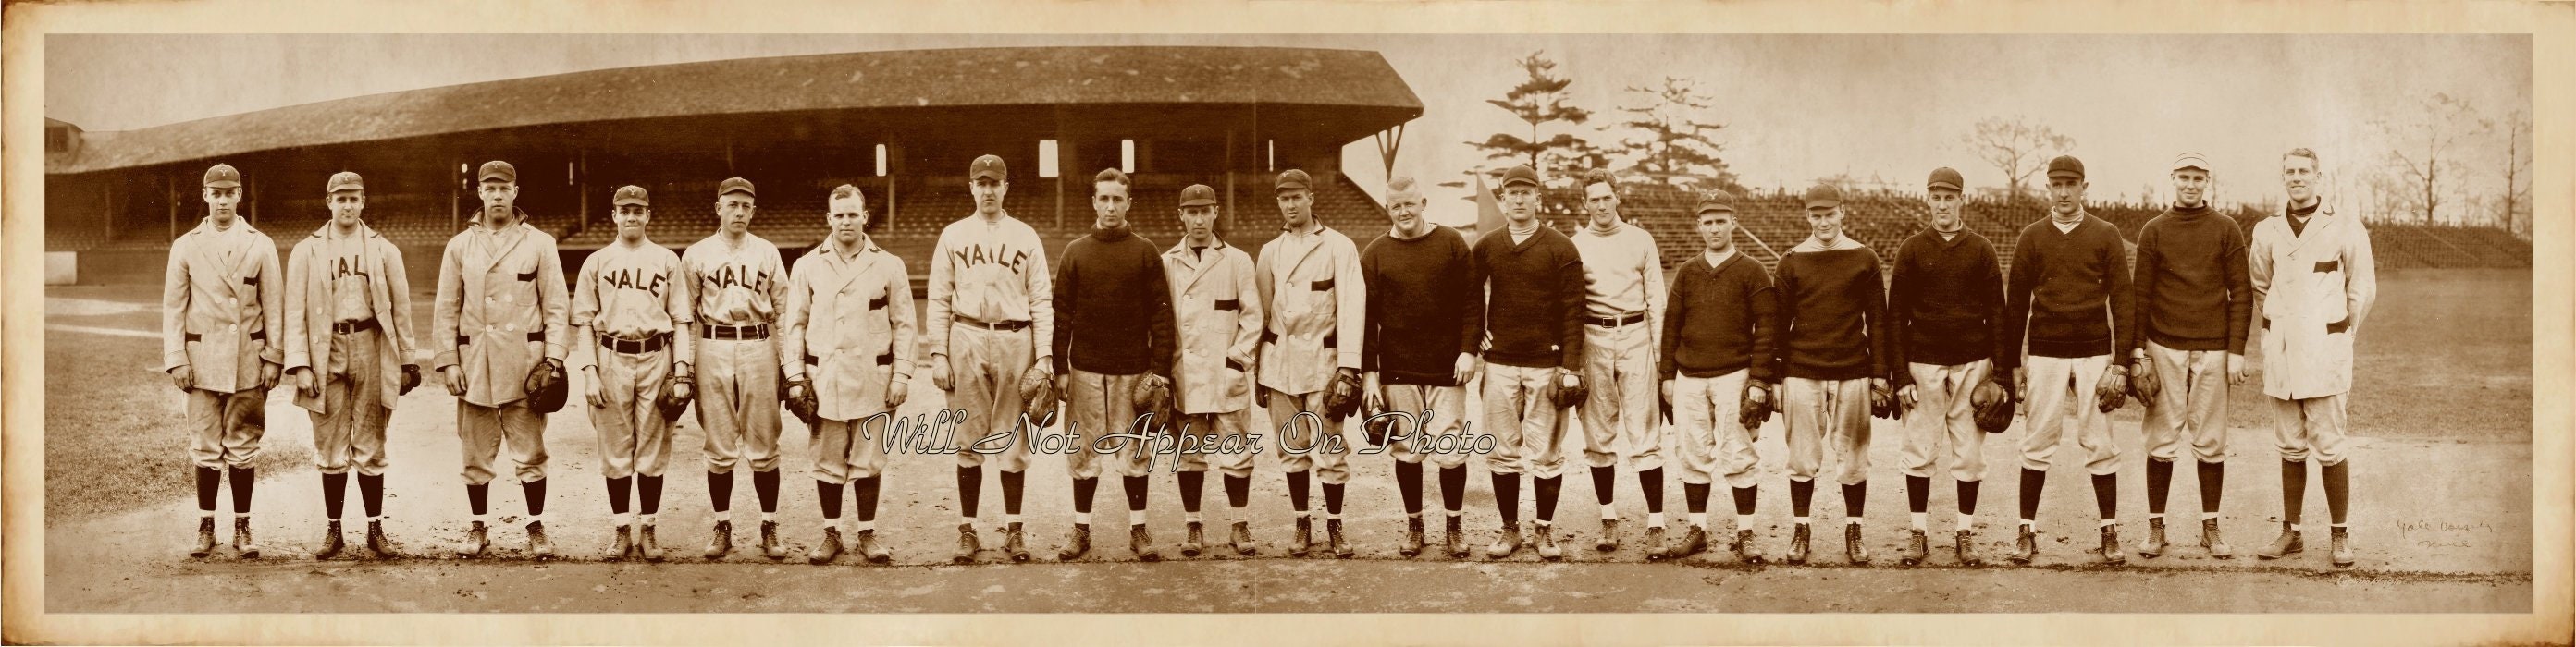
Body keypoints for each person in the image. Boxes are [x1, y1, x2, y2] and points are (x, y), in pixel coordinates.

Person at [1998, 155, 2137, 565]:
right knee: (2037, 440)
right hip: (2045, 350)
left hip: (2094, 351)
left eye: (2071, 184)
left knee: (2100, 441)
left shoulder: (2105, 234)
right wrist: (2013, 364)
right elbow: (2016, 304)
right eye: (2056, 184)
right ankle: (2026, 530)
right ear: (2047, 187)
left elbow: (2123, 299)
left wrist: (2122, 360)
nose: (2063, 192)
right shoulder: (2032, 236)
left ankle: (2109, 531)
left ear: (2083, 187)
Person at [431, 160, 572, 558]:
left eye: (504, 188)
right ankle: (478, 527)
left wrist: (555, 359)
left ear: (515, 192)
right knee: (475, 455)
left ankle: (535, 526)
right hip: (475, 362)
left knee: (531, 453)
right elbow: (445, 308)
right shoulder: (459, 246)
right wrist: (449, 362)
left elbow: (557, 306)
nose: (497, 194)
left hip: (526, 365)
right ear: (479, 192)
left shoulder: (539, 242)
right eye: (489, 188)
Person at [2248, 147, 2376, 568]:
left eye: (2305, 171)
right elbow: (2260, 286)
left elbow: (2361, 288)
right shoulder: (2266, 230)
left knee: (2329, 443)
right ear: (2282, 177)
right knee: (2289, 444)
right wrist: (2278, 328)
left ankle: (2339, 535)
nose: (2297, 177)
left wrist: (2343, 331)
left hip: (2326, 352)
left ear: (2319, 176)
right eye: (2290, 171)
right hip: (2283, 351)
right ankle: (2292, 532)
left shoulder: (2345, 226)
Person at [925, 154, 1056, 564]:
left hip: (1017, 340)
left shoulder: (1025, 235)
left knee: (1013, 440)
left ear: (1005, 188)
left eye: (993, 183)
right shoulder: (953, 234)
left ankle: (1014, 531)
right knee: (968, 439)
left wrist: (1046, 356)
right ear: (971, 188)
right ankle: (968, 530)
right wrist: (938, 353)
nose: (987, 190)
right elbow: (938, 297)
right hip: (966, 335)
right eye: (980, 183)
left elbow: (1041, 299)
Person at [283, 171, 421, 559]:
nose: (347, 204)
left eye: (354, 198)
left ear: (363, 202)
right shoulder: (305, 250)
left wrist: (408, 360)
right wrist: (299, 364)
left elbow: (401, 308)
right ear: (328, 202)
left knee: (371, 442)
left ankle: (375, 529)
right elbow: (294, 312)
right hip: (323, 348)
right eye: (340, 198)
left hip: (371, 344)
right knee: (329, 445)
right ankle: (334, 531)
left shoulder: (383, 249)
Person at [1049, 168, 1179, 561]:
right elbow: (1061, 315)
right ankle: (1081, 530)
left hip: (1133, 371)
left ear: (1128, 203)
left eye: (1117, 199)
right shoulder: (1076, 251)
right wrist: (1060, 368)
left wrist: (1159, 370)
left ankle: (1138, 530)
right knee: (1083, 453)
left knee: (1134, 455)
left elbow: (1161, 315)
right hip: (1086, 369)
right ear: (1093, 202)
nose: (1110, 206)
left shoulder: (1145, 251)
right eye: (1103, 198)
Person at [781, 184, 916, 565]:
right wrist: (794, 376)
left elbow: (904, 324)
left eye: (852, 214)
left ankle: (867, 533)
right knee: (827, 458)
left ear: (864, 217)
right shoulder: (807, 265)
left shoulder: (889, 264)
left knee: (868, 458)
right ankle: (831, 533)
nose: (846, 221)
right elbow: (793, 324)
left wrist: (902, 376)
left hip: (874, 375)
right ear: (828, 219)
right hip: (824, 376)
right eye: (838, 215)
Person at [2129, 153, 2253, 559]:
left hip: (2213, 347)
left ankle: (2210, 527)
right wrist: (2137, 351)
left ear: (2207, 182)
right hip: (2164, 345)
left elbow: (2242, 292)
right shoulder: (2155, 230)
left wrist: (2236, 351)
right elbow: (2140, 296)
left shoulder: (2225, 228)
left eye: (2198, 178)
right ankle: (2156, 527)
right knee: (2162, 439)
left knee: (2211, 441)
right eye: (2184, 177)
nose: (2190, 184)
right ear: (2173, 179)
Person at [1885, 167, 2009, 567]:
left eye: (1949, 197)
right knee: (1919, 449)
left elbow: (1998, 313)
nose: (1942, 204)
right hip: (1923, 363)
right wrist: (1899, 374)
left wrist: (2002, 374)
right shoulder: (1912, 249)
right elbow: (1895, 316)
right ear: (1927, 200)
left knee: (1969, 452)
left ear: (1962, 200)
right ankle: (1918, 533)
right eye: (1935, 197)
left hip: (1972, 363)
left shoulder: (1981, 248)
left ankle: (1964, 532)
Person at [163, 163, 287, 559]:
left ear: (238, 196)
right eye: (215, 193)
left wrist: (274, 357)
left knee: (243, 445)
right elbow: (173, 308)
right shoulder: (185, 244)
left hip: (248, 360)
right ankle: (206, 525)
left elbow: (275, 306)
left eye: (228, 192)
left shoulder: (260, 243)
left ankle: (243, 526)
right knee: (204, 446)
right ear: (205, 196)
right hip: (200, 362)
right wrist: (176, 358)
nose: (221, 200)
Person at [1357, 175, 1483, 558]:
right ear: (1387, 208)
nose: (1403, 211)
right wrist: (1370, 372)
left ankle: (1454, 527)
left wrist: (1468, 350)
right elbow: (1366, 320)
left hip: (1447, 368)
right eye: (1395, 206)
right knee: (1407, 451)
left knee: (1451, 450)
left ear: (1423, 202)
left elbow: (1472, 301)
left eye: (1409, 203)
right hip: (1398, 369)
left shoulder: (1451, 242)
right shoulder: (1375, 253)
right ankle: (1415, 527)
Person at [569, 185, 695, 561]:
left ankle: (650, 530)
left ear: (648, 215)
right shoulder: (597, 261)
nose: (632, 216)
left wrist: (683, 368)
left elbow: (681, 320)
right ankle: (622, 529)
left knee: (654, 449)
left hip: (657, 356)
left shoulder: (667, 260)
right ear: (614, 215)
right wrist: (590, 372)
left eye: (639, 210)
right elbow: (585, 324)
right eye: (625, 210)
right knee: (614, 450)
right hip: (611, 358)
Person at [1771, 183, 1894, 566]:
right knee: (1802, 457)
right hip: (1802, 369)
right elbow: (1777, 325)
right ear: (1807, 216)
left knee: (1854, 458)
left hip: (1851, 369)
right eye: (1816, 215)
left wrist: (1879, 375)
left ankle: (1854, 528)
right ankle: (1801, 528)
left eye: (1830, 213)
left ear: (1843, 211)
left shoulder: (1863, 257)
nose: (1823, 221)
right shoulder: (1791, 260)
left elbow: (1877, 319)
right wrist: (1775, 377)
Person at [1470, 164, 1586, 560]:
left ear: (1539, 198)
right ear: (1503, 199)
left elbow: (1574, 309)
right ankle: (1509, 530)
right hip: (1500, 363)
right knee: (1502, 452)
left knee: (1547, 453)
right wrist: (1475, 338)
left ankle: (1545, 531)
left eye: (1526, 192)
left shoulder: (1561, 247)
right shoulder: (1487, 245)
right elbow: (1468, 298)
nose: (1518, 200)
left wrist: (1570, 366)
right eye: (1511, 193)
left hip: (1546, 366)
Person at [1654, 190, 1777, 563]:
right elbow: (1671, 326)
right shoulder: (1688, 272)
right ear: (1698, 226)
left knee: (1739, 452)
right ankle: (1698, 529)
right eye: (1707, 221)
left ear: (1733, 223)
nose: (1714, 228)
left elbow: (1767, 327)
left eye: (1721, 220)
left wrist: (1758, 379)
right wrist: (1667, 376)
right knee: (1692, 452)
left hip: (1734, 374)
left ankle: (1745, 532)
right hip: (1690, 374)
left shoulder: (1751, 269)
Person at [1253, 168, 1368, 558]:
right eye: (1283, 199)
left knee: (1331, 449)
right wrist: (1258, 370)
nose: (1290, 205)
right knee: (1291, 448)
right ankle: (1302, 522)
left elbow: (1354, 308)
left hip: (1325, 363)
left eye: (1297, 197)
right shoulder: (1270, 251)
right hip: (1281, 365)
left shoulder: (1338, 246)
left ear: (1311, 198)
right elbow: (1261, 314)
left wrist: (1349, 367)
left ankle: (1335, 524)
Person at [680, 177, 794, 560]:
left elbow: (784, 313)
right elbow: (687, 316)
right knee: (718, 442)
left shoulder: (767, 252)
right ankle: (723, 524)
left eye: (746, 206)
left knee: (764, 441)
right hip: (712, 344)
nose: (739, 212)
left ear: (753, 210)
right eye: (732, 204)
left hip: (759, 345)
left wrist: (788, 366)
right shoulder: (696, 254)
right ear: (719, 208)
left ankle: (769, 524)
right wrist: (688, 366)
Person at [1566, 169, 1669, 555]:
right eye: (1594, 199)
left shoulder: (1640, 239)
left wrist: (1662, 363)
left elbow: (1657, 301)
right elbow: (1571, 307)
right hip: (1594, 337)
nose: (1601, 205)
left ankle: (1656, 522)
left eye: (1607, 197)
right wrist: (1573, 362)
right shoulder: (1574, 245)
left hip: (1636, 333)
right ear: (1585, 204)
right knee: (1597, 431)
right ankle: (1608, 517)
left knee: (1645, 430)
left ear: (1618, 197)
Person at [1161, 183, 1266, 557]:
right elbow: (1162, 322)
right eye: (1192, 211)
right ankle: (1193, 525)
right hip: (1186, 372)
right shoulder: (1168, 262)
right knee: (1190, 452)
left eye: (1205, 210)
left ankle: (1239, 524)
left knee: (1236, 453)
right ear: (1182, 216)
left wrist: (1236, 359)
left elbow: (1253, 317)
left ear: (1216, 212)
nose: (1199, 218)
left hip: (1225, 372)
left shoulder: (1237, 260)